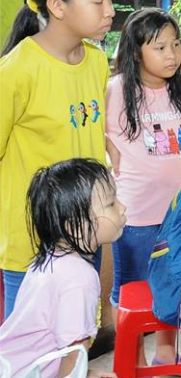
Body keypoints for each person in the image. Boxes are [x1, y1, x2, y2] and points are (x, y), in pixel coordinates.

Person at [0, 0, 115, 318]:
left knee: (77, 335)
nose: (110, 11)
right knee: (28, 346)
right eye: (99, 1)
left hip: (86, 232)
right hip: (33, 246)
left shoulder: (96, 62)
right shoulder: (17, 71)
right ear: (56, 5)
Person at [104, 8, 181, 365]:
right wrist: (109, 146)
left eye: (176, 45)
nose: (172, 54)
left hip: (178, 213)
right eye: (160, 47)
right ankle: (131, 357)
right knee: (130, 288)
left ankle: (165, 353)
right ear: (136, 52)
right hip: (135, 213)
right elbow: (96, 125)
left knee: (173, 282)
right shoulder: (117, 89)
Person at [0, 159, 122, 378]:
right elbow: (73, 356)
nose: (122, 208)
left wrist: (87, 372)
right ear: (75, 226)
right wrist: (81, 372)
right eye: (111, 204)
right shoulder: (79, 279)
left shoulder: (48, 259)